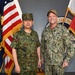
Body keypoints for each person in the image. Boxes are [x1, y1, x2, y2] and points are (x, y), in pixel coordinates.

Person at [41, 9, 74, 75]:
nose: (52, 18)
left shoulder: (63, 30)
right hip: (48, 65)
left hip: (59, 64)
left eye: (53, 16)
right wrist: (42, 57)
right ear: (48, 18)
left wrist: (67, 60)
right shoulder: (45, 31)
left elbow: (70, 46)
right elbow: (43, 46)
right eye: (50, 16)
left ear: (56, 17)